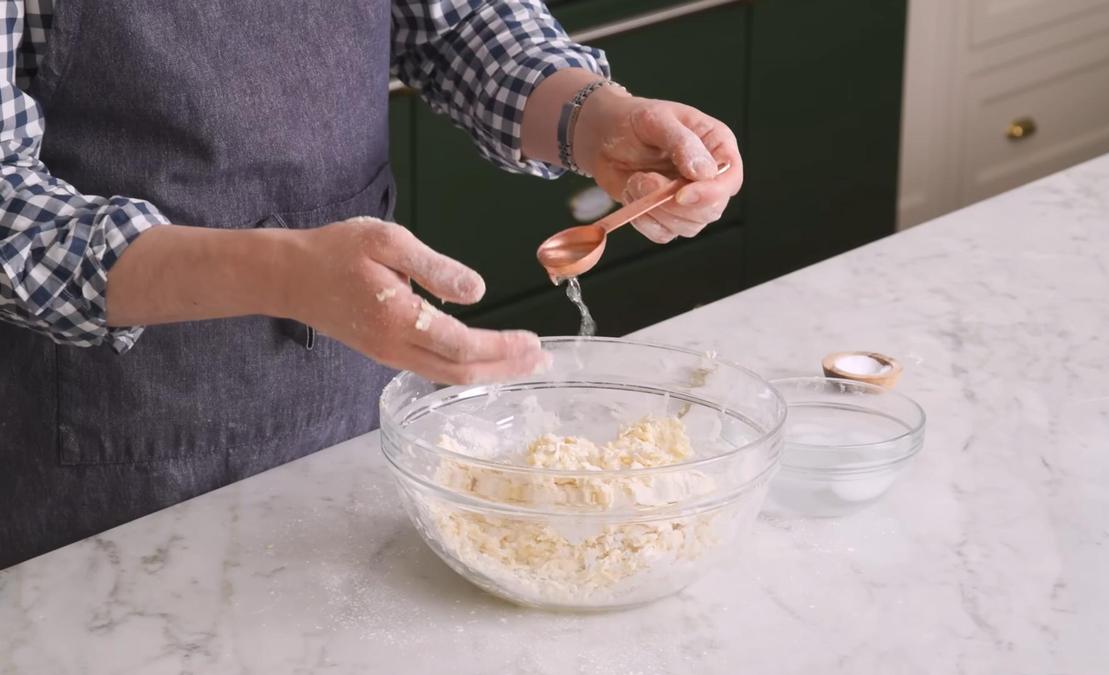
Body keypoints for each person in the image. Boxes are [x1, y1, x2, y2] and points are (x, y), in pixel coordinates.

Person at [0, 0, 743, 568]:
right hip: (107, 462)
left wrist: (600, 120)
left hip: (352, 405)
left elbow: (457, 24)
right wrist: (282, 272)